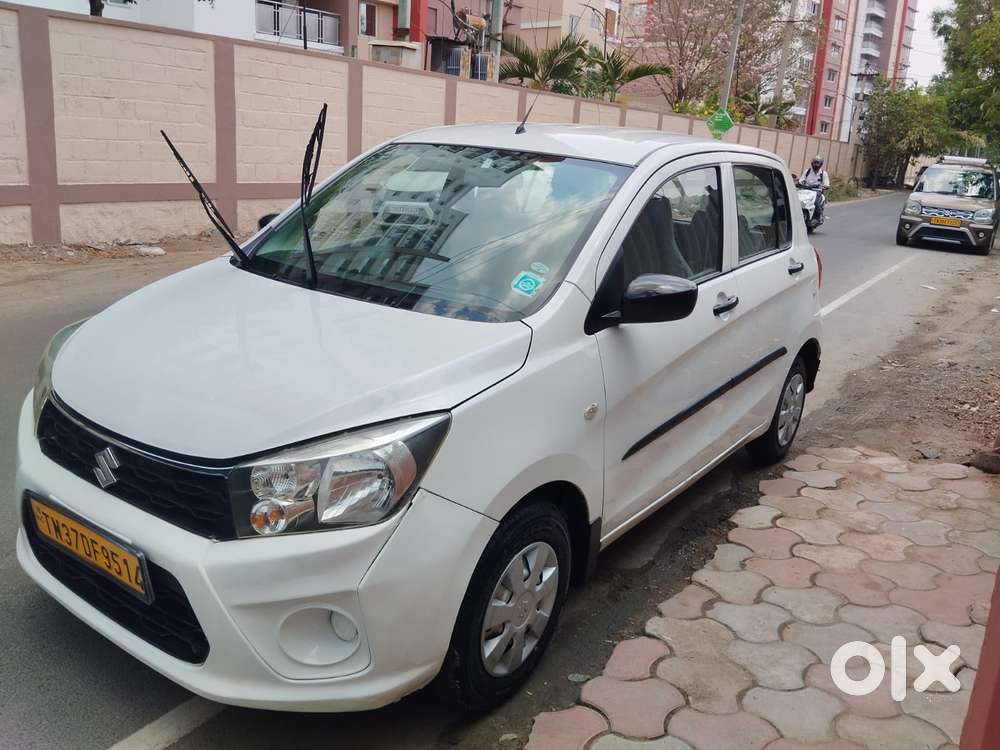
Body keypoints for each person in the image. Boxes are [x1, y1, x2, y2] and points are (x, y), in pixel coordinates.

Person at [800, 155, 830, 222]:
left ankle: (819, 216)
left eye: (817, 163)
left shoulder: (823, 173)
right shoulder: (807, 171)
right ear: (812, 163)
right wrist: (800, 183)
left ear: (821, 164)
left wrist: (824, 187)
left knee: (815, 201)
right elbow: (801, 180)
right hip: (806, 190)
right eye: (814, 162)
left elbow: (826, 184)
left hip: (817, 192)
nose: (815, 165)